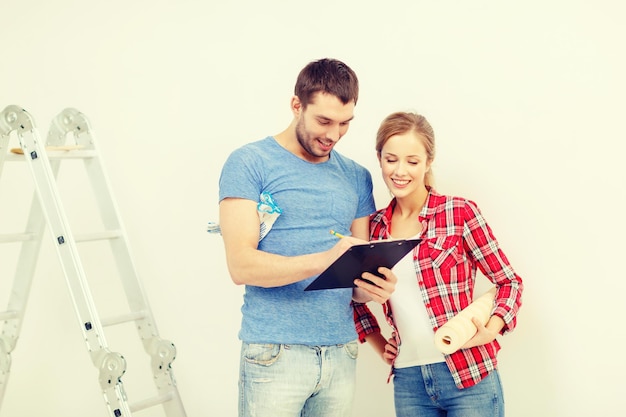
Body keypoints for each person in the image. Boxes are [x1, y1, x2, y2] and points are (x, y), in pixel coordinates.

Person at [218, 58, 397, 417]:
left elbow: (355, 280)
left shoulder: (356, 177)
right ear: (296, 105)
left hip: (340, 351)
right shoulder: (249, 163)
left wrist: (373, 287)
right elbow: (241, 265)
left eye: (345, 123)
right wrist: (326, 259)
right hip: (275, 352)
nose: (334, 134)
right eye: (324, 121)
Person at [353, 111, 523, 417]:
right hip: (409, 382)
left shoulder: (459, 213)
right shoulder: (373, 227)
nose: (400, 171)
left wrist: (491, 329)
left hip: (469, 375)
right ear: (379, 159)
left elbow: (509, 282)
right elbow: (351, 296)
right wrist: (380, 344)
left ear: (428, 161)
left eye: (412, 161)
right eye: (391, 159)